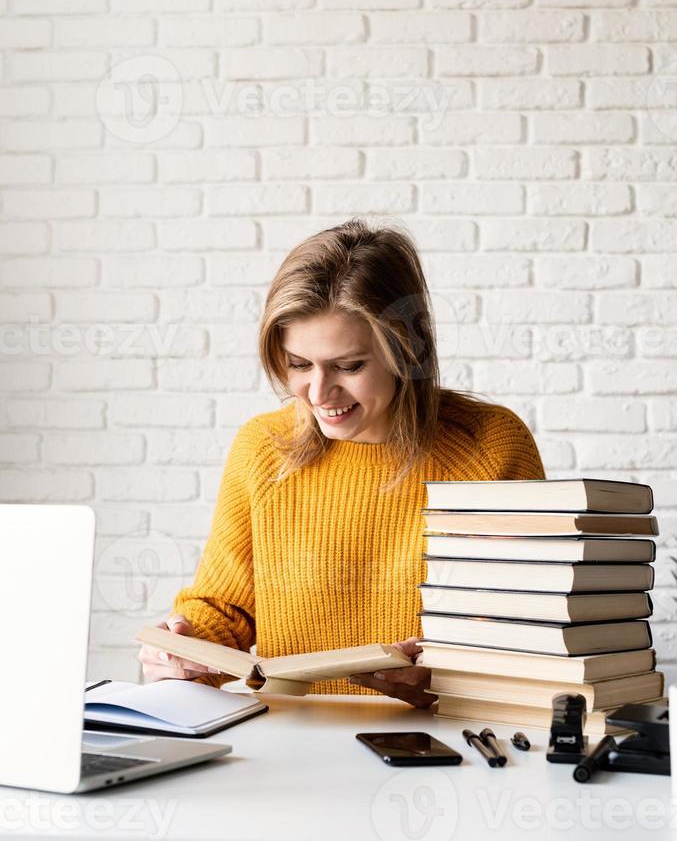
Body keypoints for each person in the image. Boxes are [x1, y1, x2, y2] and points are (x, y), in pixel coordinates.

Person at [139, 219, 545, 708]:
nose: (318, 393)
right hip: (290, 746)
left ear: (406, 349)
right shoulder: (262, 449)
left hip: (443, 750)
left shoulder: (491, 447)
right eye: (298, 364)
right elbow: (226, 609)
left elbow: (527, 632)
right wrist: (183, 649)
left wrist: (446, 678)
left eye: (349, 366)